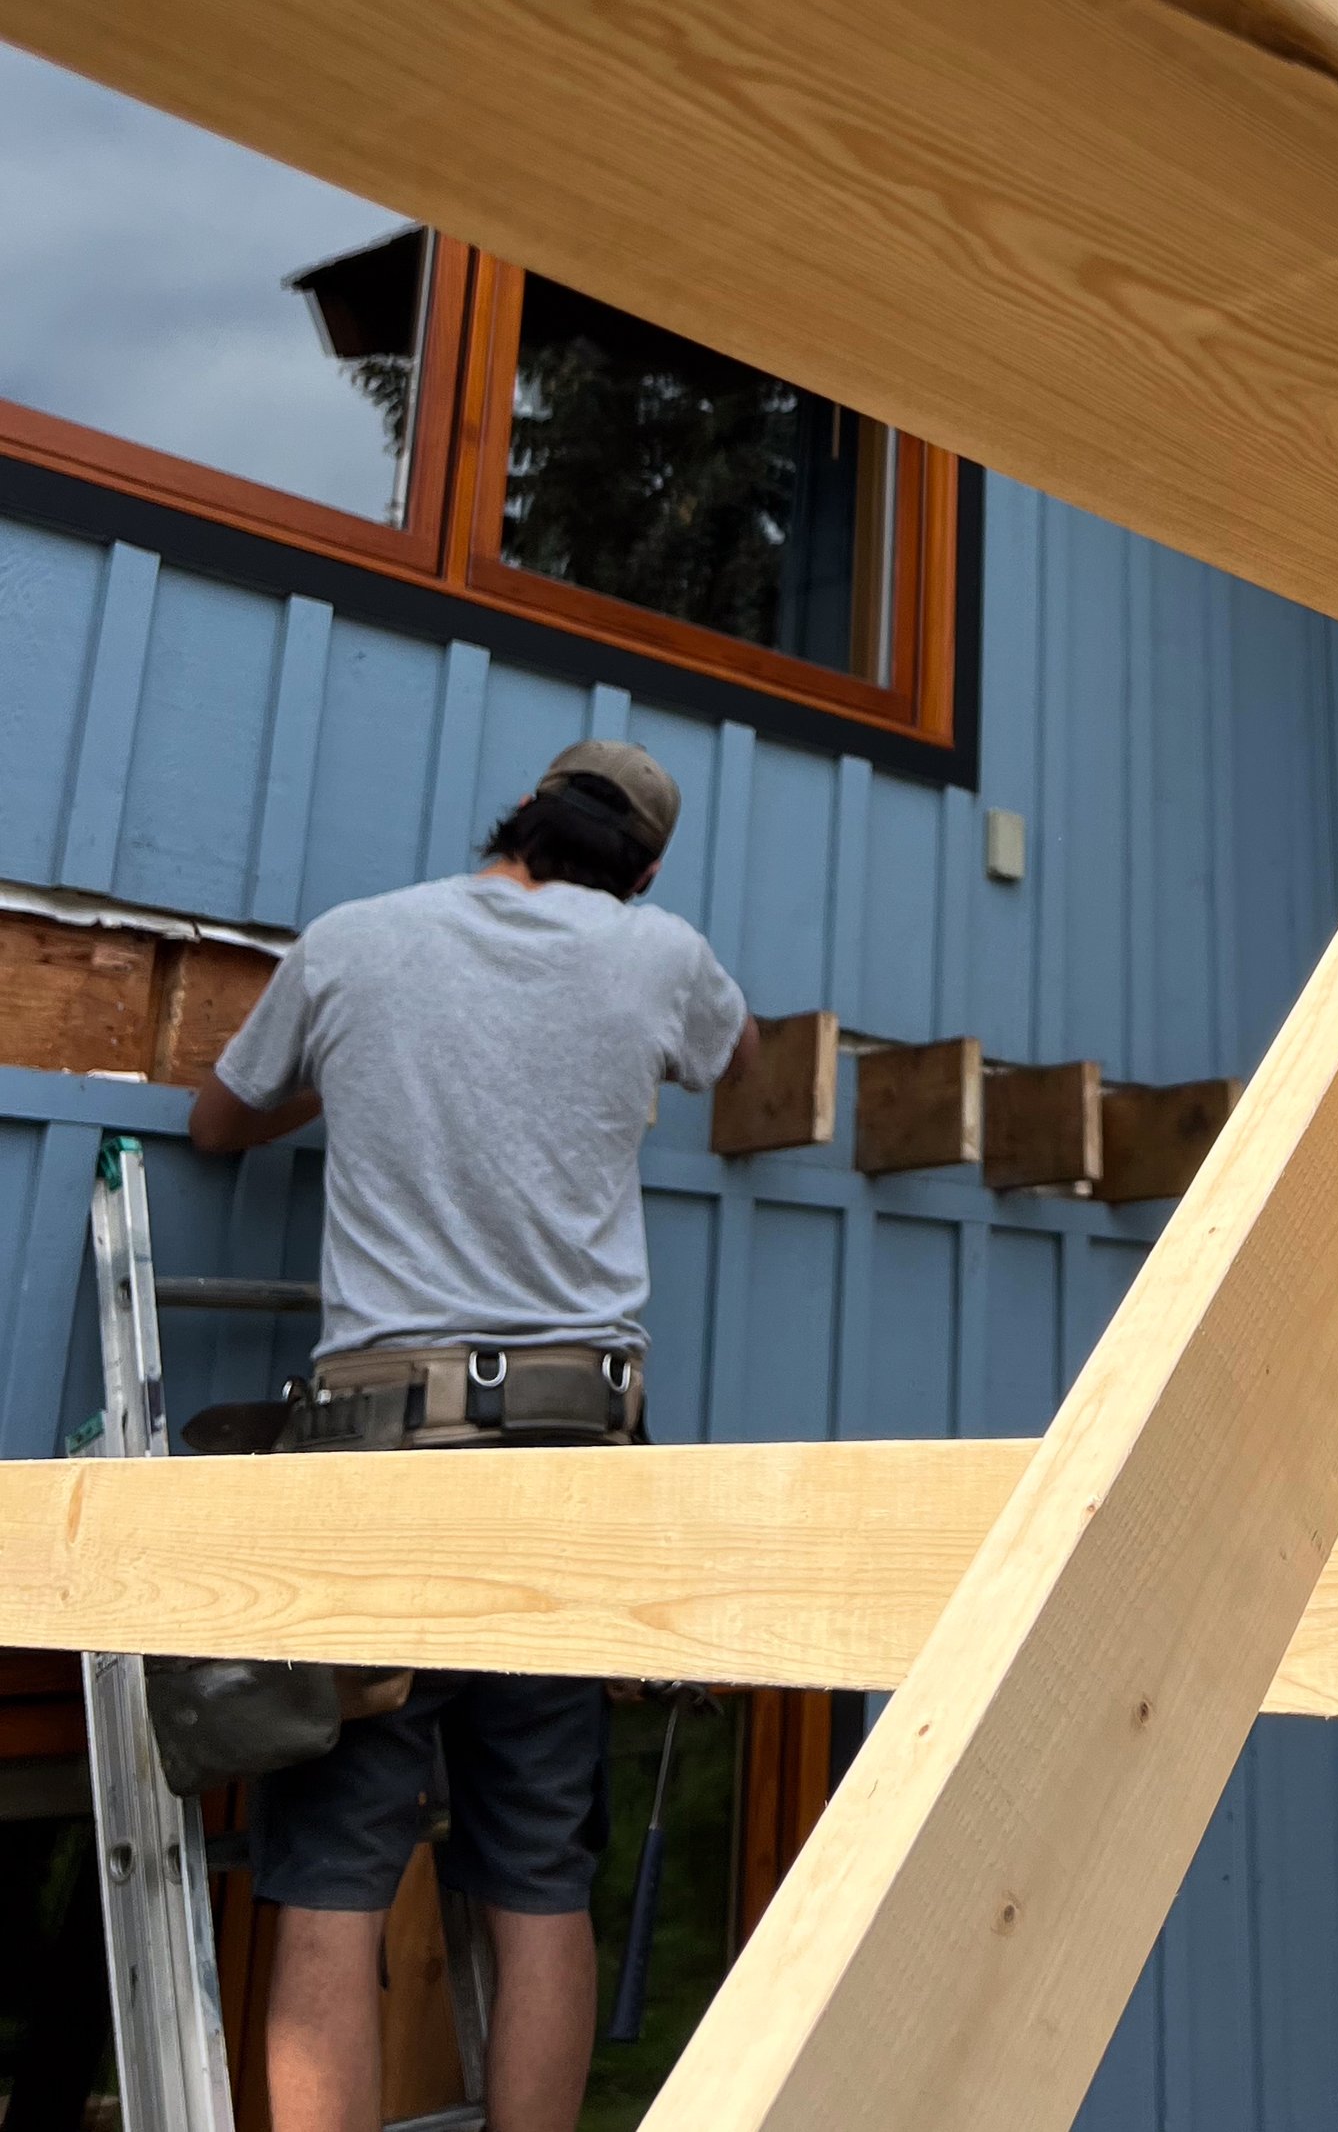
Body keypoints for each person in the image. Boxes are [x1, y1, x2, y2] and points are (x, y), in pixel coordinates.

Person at [190, 739, 757, 2132]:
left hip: (384, 1459)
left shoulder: (355, 941)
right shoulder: (659, 953)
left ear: (514, 812)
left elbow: (216, 1123)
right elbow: (732, 1065)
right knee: (539, 1876)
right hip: (574, 1465)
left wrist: (363, 1067)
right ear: (646, 869)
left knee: (330, 1876)